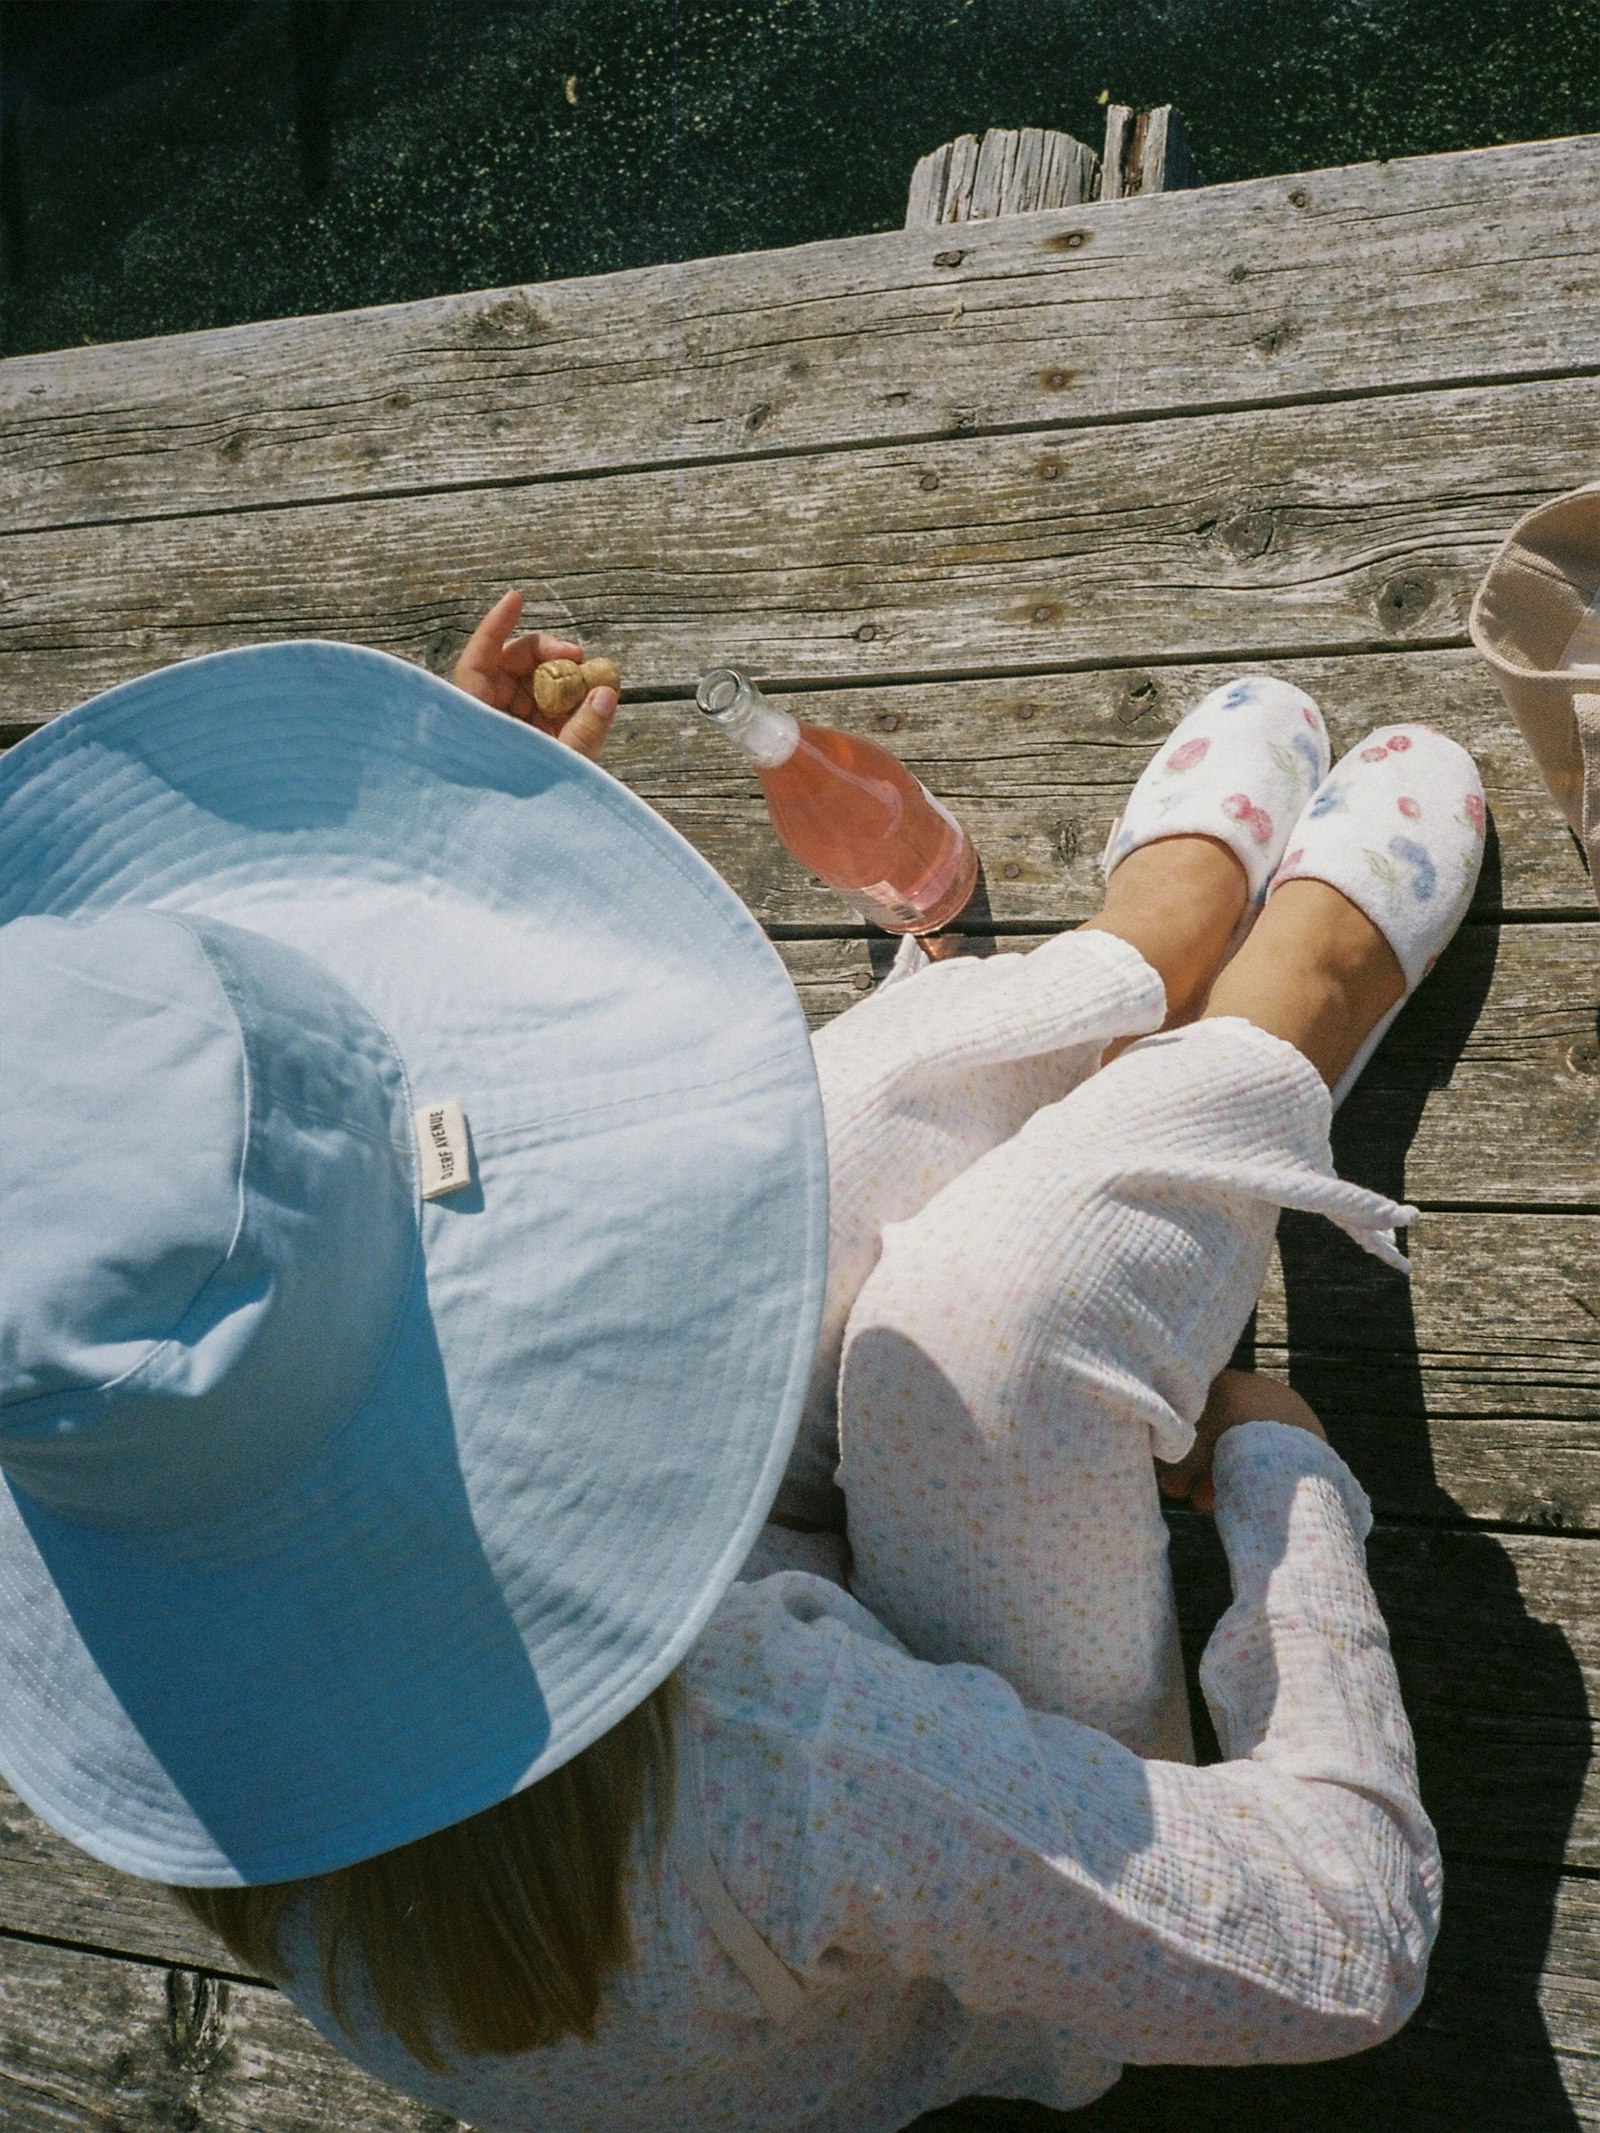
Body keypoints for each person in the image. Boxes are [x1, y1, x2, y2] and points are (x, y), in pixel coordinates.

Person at [0, 601, 1485, 2133]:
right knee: (997, 1327)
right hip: (926, 1897)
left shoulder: (139, 1578)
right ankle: (1278, 1021)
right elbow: (1344, 1933)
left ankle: (1133, 972)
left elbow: (220, 1223)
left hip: (651, 1633)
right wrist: (1284, 1481)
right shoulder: (776, 1768)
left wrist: (449, 852)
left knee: (833, 1115)